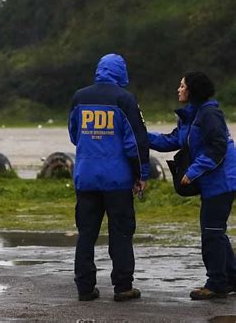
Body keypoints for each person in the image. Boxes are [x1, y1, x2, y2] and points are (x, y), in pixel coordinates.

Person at [68, 53, 149, 302]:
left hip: (86, 178)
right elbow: (134, 142)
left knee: (87, 234)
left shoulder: (79, 97)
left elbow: (74, 134)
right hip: (117, 180)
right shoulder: (124, 99)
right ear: (121, 73)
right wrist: (141, 173)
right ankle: (123, 287)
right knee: (121, 233)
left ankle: (84, 288)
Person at [148, 71, 236, 300]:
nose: (178, 89)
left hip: (223, 182)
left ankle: (216, 284)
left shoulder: (209, 114)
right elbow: (173, 140)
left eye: (182, 86)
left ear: (192, 90)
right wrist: (141, 136)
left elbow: (218, 147)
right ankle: (231, 279)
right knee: (216, 231)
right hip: (212, 182)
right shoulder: (193, 115)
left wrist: (193, 171)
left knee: (211, 233)